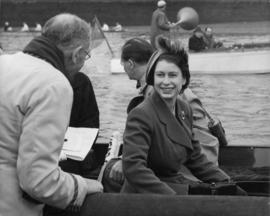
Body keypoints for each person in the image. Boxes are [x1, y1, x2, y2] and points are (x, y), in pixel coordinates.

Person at [0, 13, 103, 216]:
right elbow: (38, 180)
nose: (84, 61)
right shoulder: (53, 84)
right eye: (86, 56)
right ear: (77, 54)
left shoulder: (4, 63)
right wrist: (82, 186)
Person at [102, 37, 222, 192]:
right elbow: (134, 168)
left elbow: (195, 157)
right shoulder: (141, 114)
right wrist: (172, 200)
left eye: (172, 75)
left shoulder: (184, 109)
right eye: (160, 75)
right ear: (153, 78)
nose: (165, 82)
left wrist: (228, 182)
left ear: (183, 79)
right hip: (150, 195)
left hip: (176, 181)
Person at [43, 71, 101, 215]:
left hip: (70, 158)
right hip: (64, 161)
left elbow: (91, 124)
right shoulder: (80, 81)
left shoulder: (80, 82)